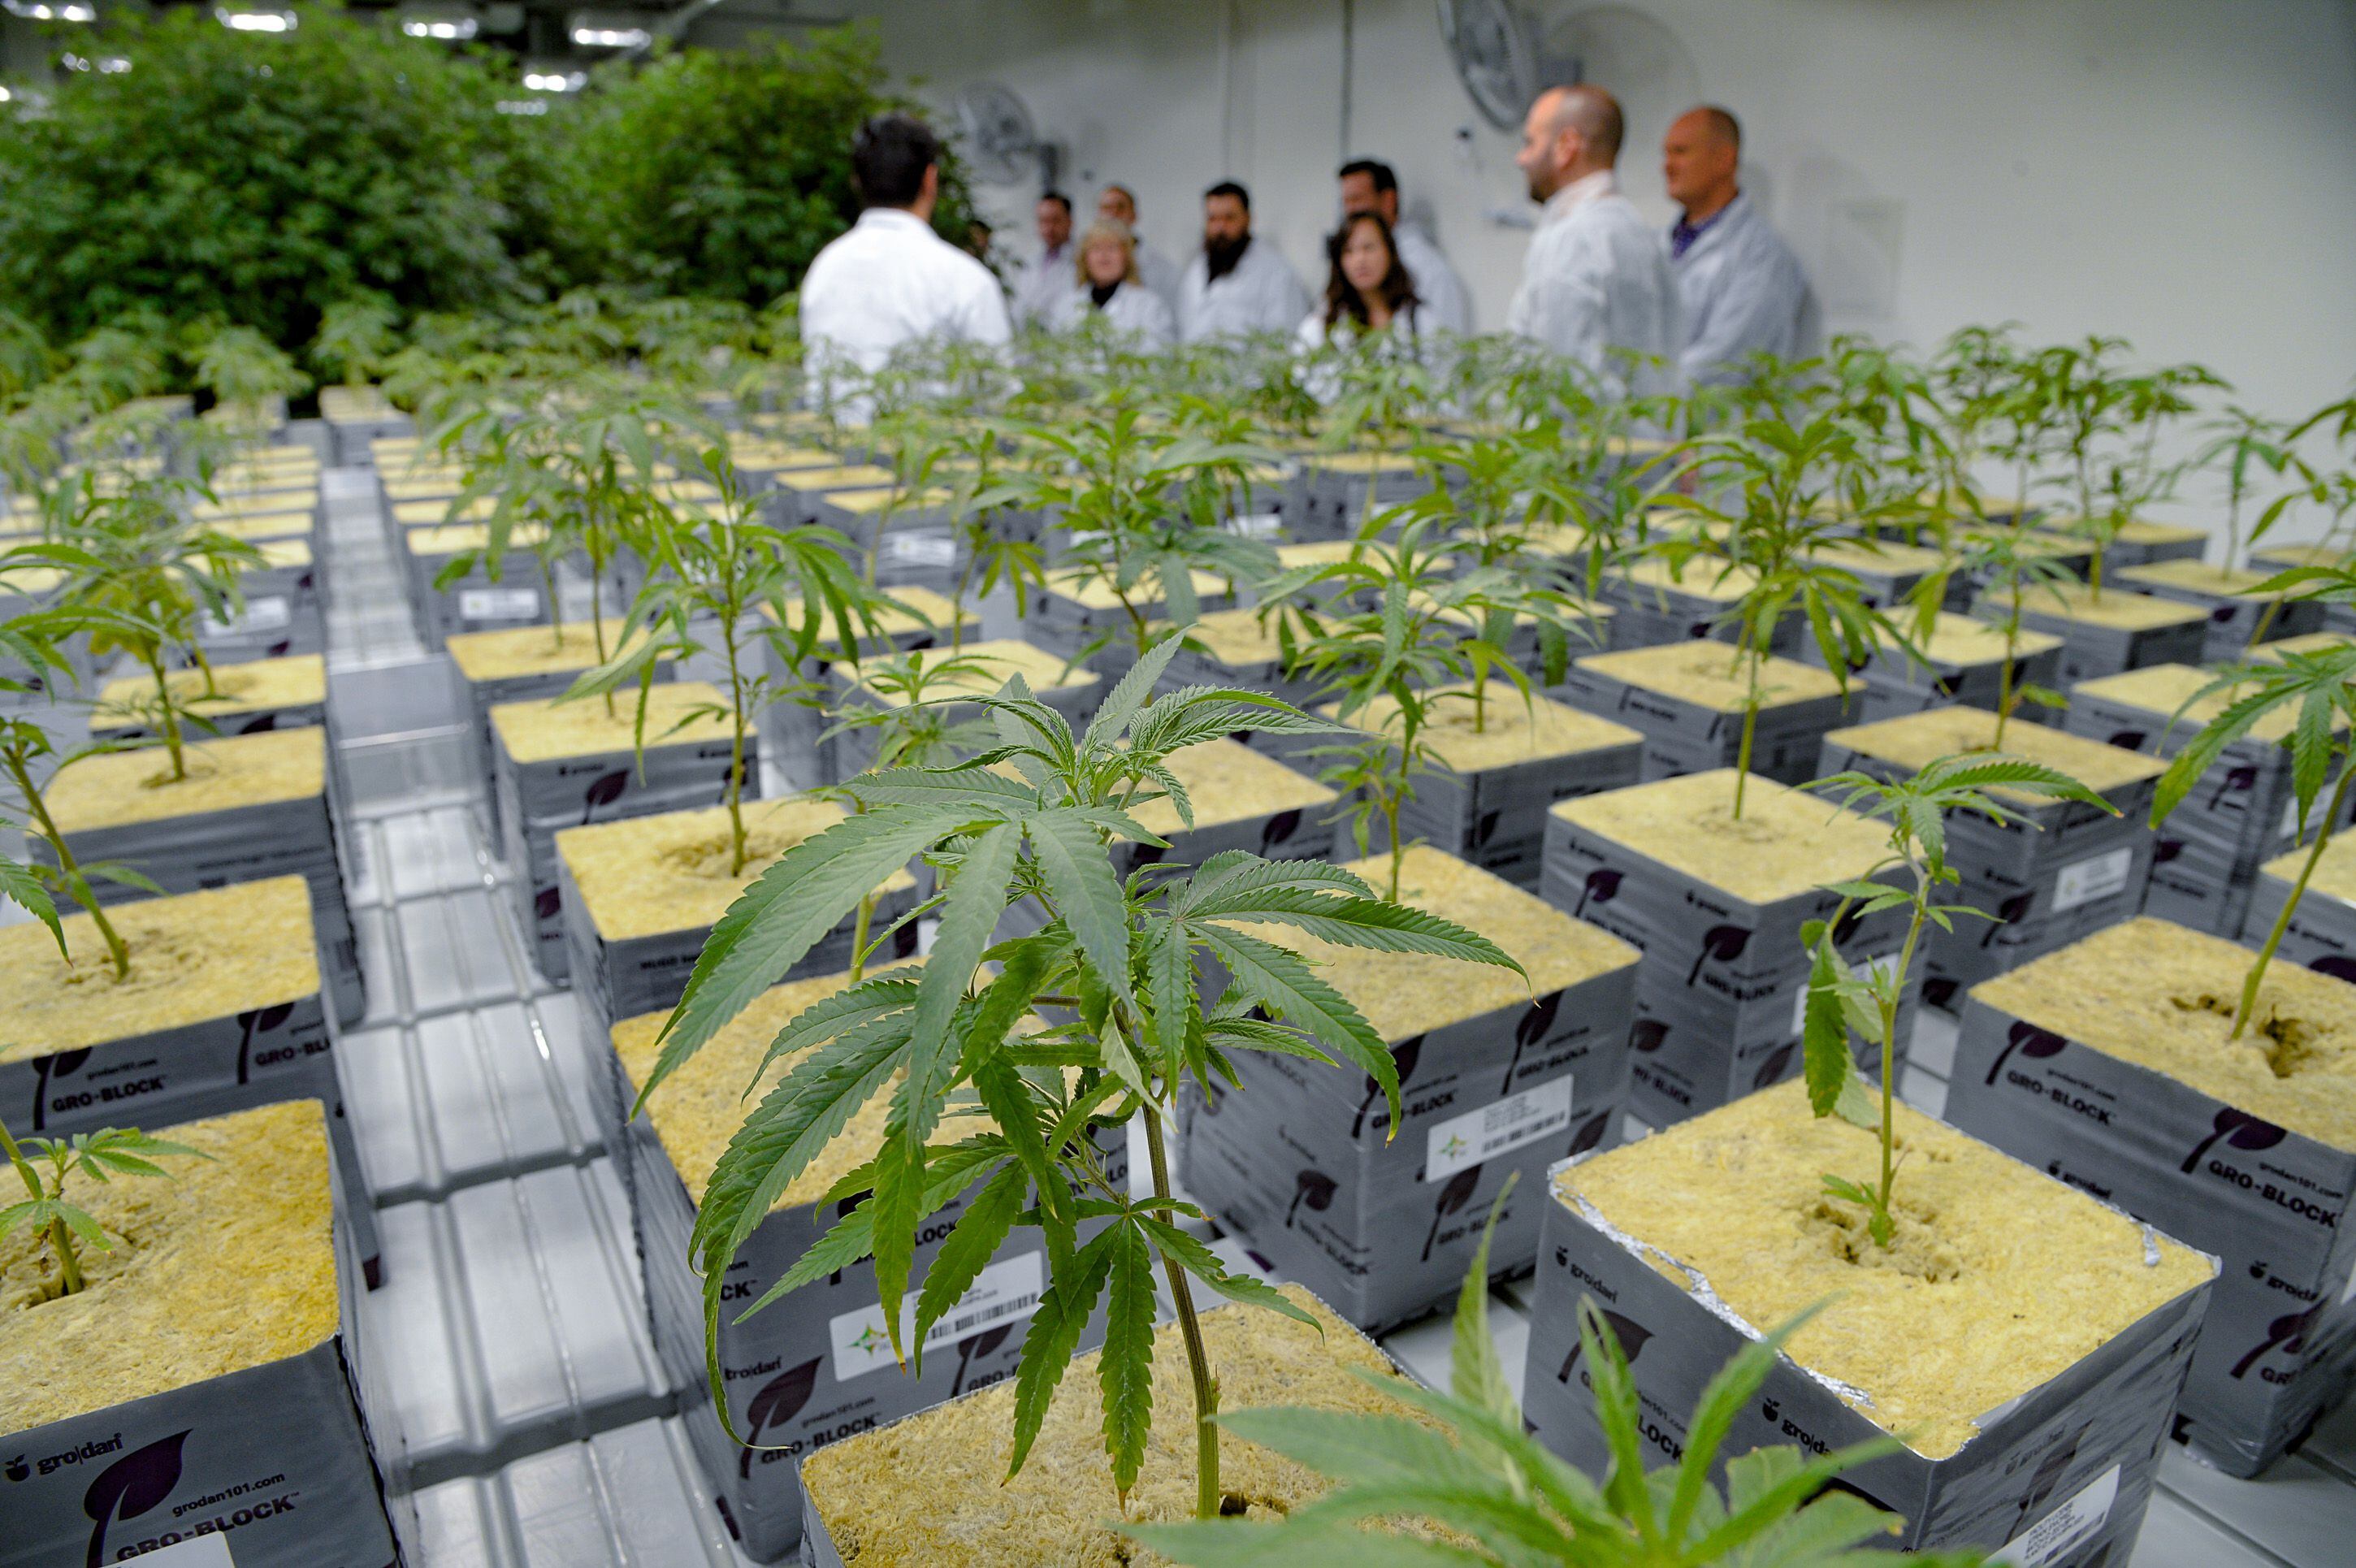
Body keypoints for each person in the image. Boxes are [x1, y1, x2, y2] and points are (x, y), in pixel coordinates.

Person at [799, 113, 1011, 416]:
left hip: (831, 457)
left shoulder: (825, 268)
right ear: (930, 179)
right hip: (933, 453)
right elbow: (997, 394)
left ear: (856, 181)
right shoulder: (963, 277)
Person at [1505, 84, 1681, 396]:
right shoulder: (1642, 234)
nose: (1521, 159)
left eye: (1530, 143)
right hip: (1649, 439)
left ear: (1567, 146)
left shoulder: (1570, 240)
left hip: (1583, 443)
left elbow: (1560, 381)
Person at [1662, 106, 1818, 385]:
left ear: (1724, 160)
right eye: (1666, 153)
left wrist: (1646, 390)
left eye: (1681, 152)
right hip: (1649, 421)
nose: (1667, 165)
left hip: (1717, 424)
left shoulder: (1764, 257)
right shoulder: (1660, 244)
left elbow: (1727, 360)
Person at [1337, 158, 1470, 335]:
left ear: (1388, 200)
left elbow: (1448, 344)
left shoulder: (1428, 268)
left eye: (1357, 199)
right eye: (1346, 202)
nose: (1350, 210)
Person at [1178, 180, 1312, 344]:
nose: (1220, 228)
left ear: (1248, 219)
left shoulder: (1276, 273)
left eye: (1229, 218)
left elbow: (1286, 337)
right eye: (1213, 219)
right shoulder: (1196, 269)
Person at [1295, 211, 1436, 350]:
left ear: (1389, 251)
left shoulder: (1419, 320)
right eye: (1349, 251)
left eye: (1368, 248)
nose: (1360, 260)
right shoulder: (1323, 324)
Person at [1050, 219, 1176, 349]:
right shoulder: (1065, 306)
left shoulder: (1149, 306)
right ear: (1084, 258)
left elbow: (1159, 357)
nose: (1104, 255)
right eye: (1096, 248)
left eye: (1112, 248)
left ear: (1126, 257)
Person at [1097, 184, 1182, 311]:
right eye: (1107, 208)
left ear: (1134, 215)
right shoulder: (1082, 264)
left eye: (1120, 207)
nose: (1113, 214)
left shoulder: (1163, 269)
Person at [1011, 191, 1076, 330]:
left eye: (1055, 220)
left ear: (1070, 221)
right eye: (1043, 221)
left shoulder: (1080, 260)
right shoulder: (1031, 261)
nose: (1049, 228)